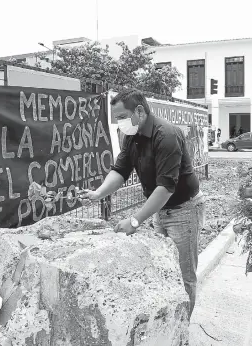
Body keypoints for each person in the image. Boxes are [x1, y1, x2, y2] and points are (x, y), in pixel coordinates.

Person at [80, 89, 205, 319]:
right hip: (161, 209)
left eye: (121, 117)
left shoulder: (166, 135)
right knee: (164, 269)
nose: (120, 123)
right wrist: (98, 193)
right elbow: (120, 170)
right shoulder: (132, 136)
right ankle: (168, 323)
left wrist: (135, 220)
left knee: (184, 274)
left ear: (139, 111)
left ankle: (181, 330)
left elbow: (166, 187)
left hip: (184, 210)